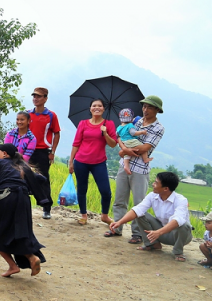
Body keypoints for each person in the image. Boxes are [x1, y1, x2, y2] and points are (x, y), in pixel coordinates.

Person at [0, 143, 48, 277]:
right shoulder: (22, 166)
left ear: (4, 154)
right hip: (23, 200)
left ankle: (13, 266)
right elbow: (41, 179)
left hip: (7, 197)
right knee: (19, 233)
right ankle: (31, 258)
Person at [111, 96, 166, 242]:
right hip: (125, 164)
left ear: (157, 110)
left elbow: (147, 147)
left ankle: (137, 234)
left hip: (140, 169)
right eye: (144, 107)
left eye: (149, 107)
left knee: (139, 203)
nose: (145, 110)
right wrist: (123, 150)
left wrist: (126, 151)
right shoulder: (136, 121)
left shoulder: (158, 128)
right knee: (119, 200)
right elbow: (121, 137)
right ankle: (116, 228)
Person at [108, 172, 193, 262]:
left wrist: (159, 232)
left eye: (156, 183)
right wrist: (119, 222)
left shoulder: (181, 200)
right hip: (160, 233)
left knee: (184, 225)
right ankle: (153, 244)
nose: (153, 184)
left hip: (179, 237)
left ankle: (178, 251)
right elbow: (138, 209)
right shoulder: (152, 195)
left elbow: (177, 220)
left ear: (166, 188)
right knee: (140, 214)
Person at [68, 98, 117, 225]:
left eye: (100, 106)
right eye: (94, 105)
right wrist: (71, 161)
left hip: (99, 162)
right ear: (90, 109)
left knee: (105, 191)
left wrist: (105, 134)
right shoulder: (83, 123)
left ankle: (104, 216)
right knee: (82, 189)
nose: (97, 108)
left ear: (103, 109)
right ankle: (83, 215)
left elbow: (113, 144)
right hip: (81, 161)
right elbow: (76, 143)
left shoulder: (109, 124)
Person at [28, 87, 61, 220]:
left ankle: (46, 208)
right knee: (25, 176)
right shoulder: (27, 114)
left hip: (43, 151)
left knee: (43, 179)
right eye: (34, 96)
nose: (35, 98)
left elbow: (57, 133)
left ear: (45, 99)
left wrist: (53, 151)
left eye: (39, 96)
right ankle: (24, 205)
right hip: (28, 151)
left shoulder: (51, 115)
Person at [115, 108, 152, 175]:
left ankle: (126, 166)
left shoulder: (119, 127)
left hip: (124, 142)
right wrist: (142, 132)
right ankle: (145, 159)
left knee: (126, 155)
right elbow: (133, 133)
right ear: (131, 119)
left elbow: (117, 135)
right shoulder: (130, 125)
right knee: (143, 148)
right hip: (131, 141)